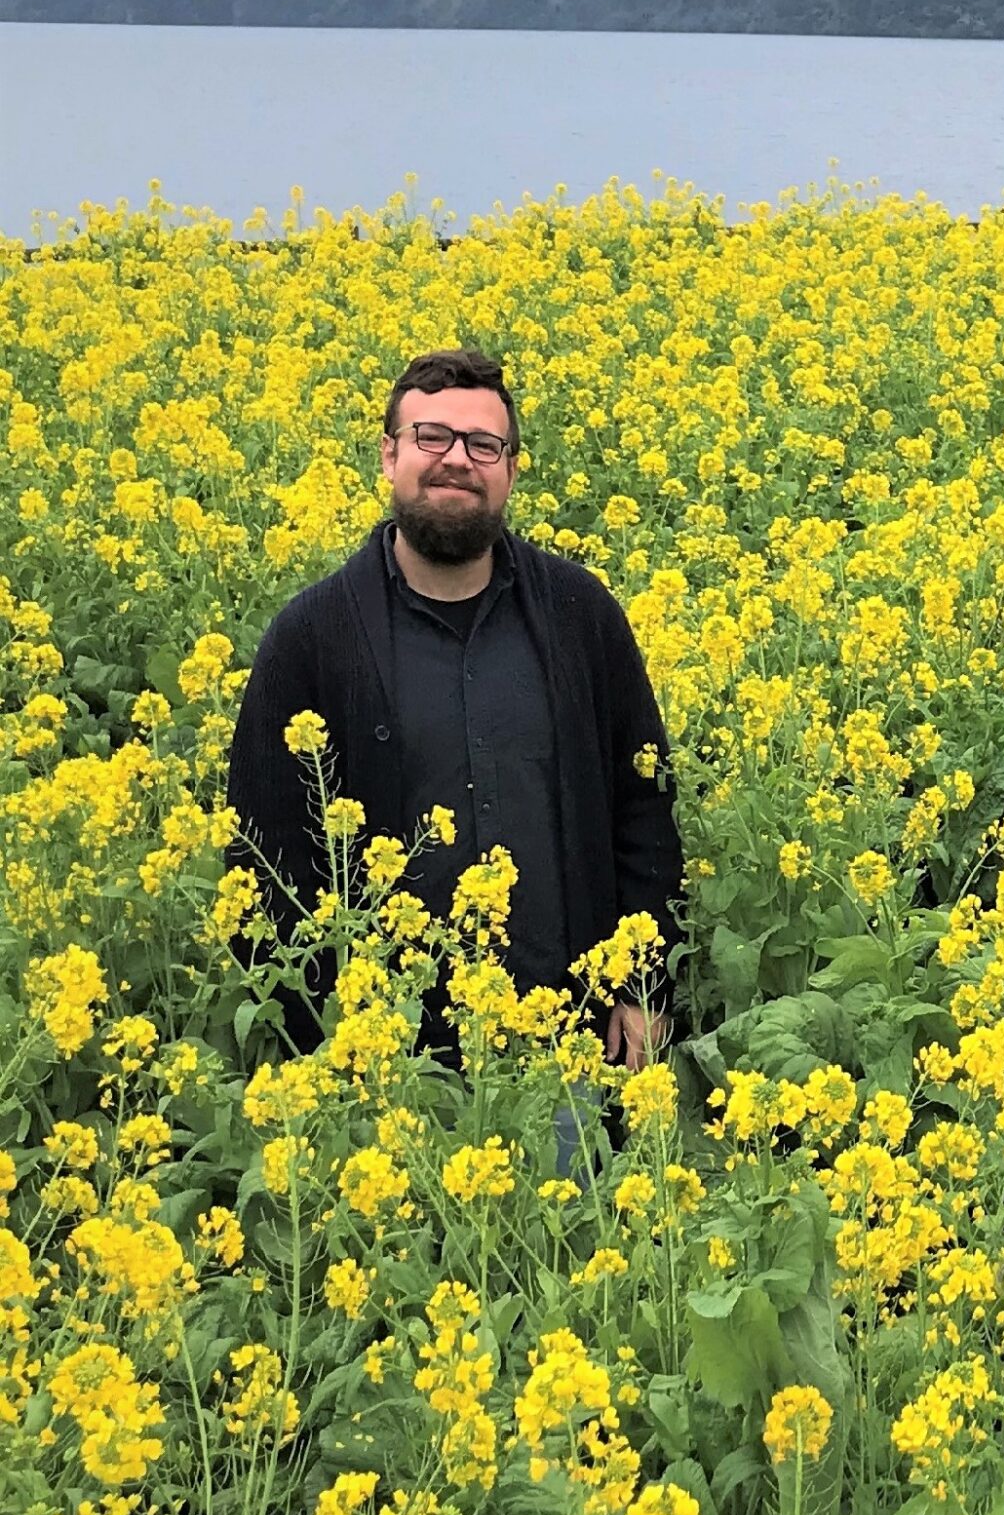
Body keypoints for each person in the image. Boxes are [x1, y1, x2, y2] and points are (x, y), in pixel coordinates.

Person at [226, 347, 682, 1068]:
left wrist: (644, 984)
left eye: (483, 445)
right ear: (389, 455)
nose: (456, 460)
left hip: (568, 1052)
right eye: (430, 437)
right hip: (394, 1068)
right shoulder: (311, 637)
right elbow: (265, 852)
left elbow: (643, 807)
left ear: (510, 468)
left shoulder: (580, 615)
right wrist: (329, 1046)